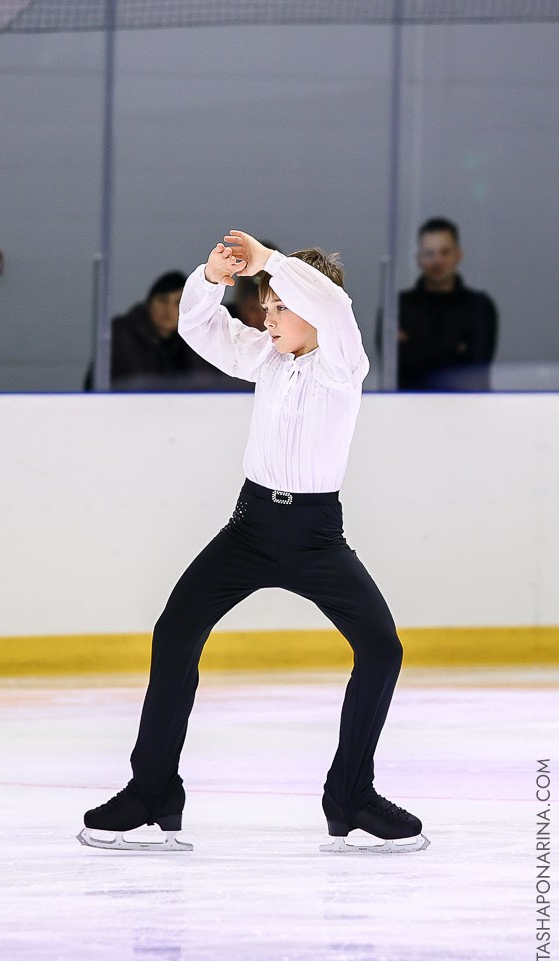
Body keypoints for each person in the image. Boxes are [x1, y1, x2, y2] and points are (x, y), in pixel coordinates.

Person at [79, 230, 428, 855]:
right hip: (251, 528)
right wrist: (211, 278)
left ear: (308, 306)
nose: (266, 317)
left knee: (381, 648)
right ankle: (152, 791)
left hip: (318, 537)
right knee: (175, 632)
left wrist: (269, 261)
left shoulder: (343, 363)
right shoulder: (265, 357)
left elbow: (334, 308)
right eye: (263, 306)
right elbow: (199, 328)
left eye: (277, 306)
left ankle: (350, 794)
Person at [396, 217, 498, 390]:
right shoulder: (399, 307)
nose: (437, 261)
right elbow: (396, 365)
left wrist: (415, 345)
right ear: (418, 258)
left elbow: (475, 368)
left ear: (458, 255)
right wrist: (455, 348)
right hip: (410, 406)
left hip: (470, 407)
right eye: (429, 253)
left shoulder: (479, 306)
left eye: (444, 252)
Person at [84, 270, 223, 390]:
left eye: (177, 303)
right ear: (150, 303)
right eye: (163, 300)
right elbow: (139, 386)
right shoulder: (123, 333)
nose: (168, 310)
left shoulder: (188, 338)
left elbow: (204, 383)